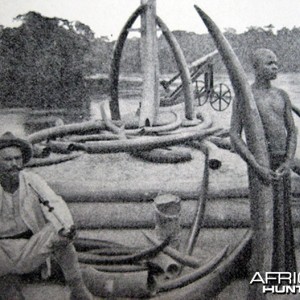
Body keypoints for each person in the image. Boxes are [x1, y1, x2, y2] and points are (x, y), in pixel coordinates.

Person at [0, 132, 93, 299]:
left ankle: (77, 289)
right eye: (7, 160)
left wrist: (65, 227)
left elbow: (54, 203)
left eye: (18, 159)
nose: (14, 164)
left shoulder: (32, 181)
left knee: (60, 231)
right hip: (1, 251)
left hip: (29, 245)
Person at [230, 48, 297, 272]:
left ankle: (282, 273)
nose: (275, 67)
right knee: (263, 217)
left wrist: (288, 161)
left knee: (282, 217)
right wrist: (256, 166)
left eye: (276, 63)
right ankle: (261, 271)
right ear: (256, 68)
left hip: (281, 164)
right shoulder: (245, 97)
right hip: (260, 165)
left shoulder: (282, 96)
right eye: (269, 63)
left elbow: (292, 130)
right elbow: (234, 136)